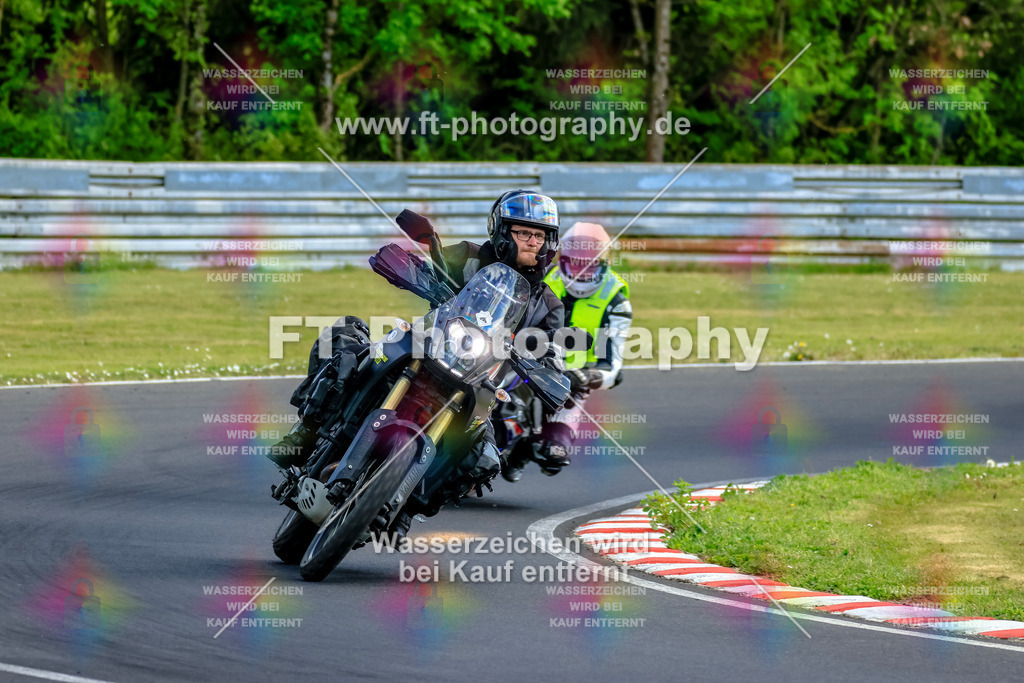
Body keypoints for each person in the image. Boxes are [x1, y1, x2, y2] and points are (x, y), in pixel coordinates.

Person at [267, 190, 566, 499]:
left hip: (479, 381)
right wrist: (413, 261)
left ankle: (413, 505)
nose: (533, 241)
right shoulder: (468, 256)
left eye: (540, 236)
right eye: (523, 233)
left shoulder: (548, 306)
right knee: (343, 340)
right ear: (502, 232)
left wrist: (546, 371)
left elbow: (551, 354)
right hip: (427, 347)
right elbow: (429, 269)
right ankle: (306, 431)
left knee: (483, 460)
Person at [502, 222, 633, 482]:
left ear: (604, 265)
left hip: (571, 380)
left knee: (555, 454)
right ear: (561, 260)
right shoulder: (542, 276)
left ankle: (526, 448)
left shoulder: (616, 302)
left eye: (589, 265)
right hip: (524, 359)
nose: (580, 272)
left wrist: (584, 377)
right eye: (574, 263)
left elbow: (613, 366)